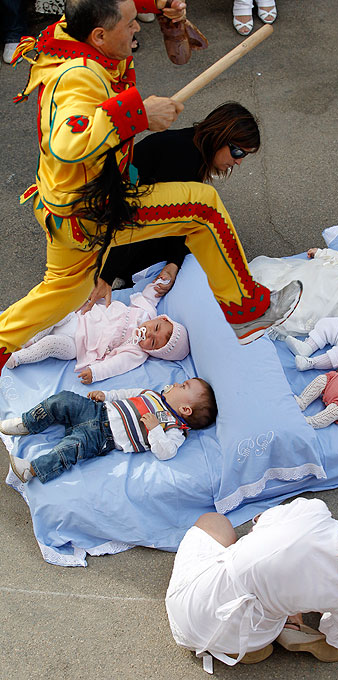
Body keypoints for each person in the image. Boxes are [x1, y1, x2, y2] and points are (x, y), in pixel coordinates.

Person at [0, 0, 302, 375]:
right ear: (100, 35)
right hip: (95, 208)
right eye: (129, 24)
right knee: (203, 208)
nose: (137, 28)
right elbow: (66, 144)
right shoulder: (78, 77)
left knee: (64, 293)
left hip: (63, 212)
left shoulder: (73, 32)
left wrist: (157, 5)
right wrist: (139, 115)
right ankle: (247, 311)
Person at [165, 495, 338, 671]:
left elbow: (259, 525)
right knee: (292, 591)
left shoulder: (313, 512)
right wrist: (334, 630)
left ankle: (266, 626)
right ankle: (288, 625)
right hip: (253, 636)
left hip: (189, 609)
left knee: (215, 522)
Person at [92, 102, 261, 301]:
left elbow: (178, 218)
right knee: (203, 250)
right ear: (219, 137)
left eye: (245, 155)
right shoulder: (182, 157)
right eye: (238, 152)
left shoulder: (192, 149)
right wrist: (107, 276)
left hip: (119, 224)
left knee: (197, 242)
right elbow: (135, 214)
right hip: (108, 230)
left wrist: (173, 262)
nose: (239, 161)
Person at [0, 377, 217, 483]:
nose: (177, 384)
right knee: (62, 399)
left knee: (71, 448)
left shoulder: (174, 428)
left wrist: (154, 430)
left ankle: (33, 469)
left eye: (184, 387)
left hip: (102, 437)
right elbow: (127, 393)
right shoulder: (152, 394)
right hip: (96, 410)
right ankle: (28, 423)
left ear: (185, 409)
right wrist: (107, 395)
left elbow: (167, 452)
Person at [4, 280, 189, 384]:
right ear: (160, 319)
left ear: (153, 352)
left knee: (51, 345)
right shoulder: (145, 312)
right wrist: (162, 281)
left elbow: (117, 365)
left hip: (77, 345)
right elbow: (151, 295)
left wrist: (96, 372)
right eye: (155, 328)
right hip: (79, 317)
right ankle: (27, 339)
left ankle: (20, 358)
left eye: (154, 342)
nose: (148, 335)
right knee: (55, 315)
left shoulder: (136, 352)